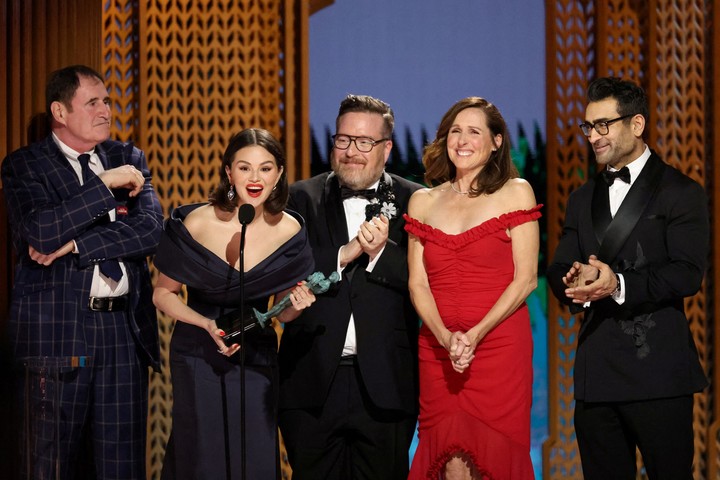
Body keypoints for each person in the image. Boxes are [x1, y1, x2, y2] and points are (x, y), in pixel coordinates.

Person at [1, 64, 163, 478]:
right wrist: (104, 184)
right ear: (60, 111)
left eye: (107, 100)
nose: (106, 110)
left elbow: (150, 231)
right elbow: (40, 230)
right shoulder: (25, 165)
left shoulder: (129, 157)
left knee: (120, 467)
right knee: (48, 466)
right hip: (58, 334)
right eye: (93, 102)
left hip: (123, 334)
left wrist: (76, 244)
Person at [547, 77, 709, 480]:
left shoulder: (681, 191)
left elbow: (687, 273)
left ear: (637, 124)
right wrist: (573, 278)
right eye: (588, 126)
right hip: (596, 374)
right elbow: (557, 266)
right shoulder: (581, 198)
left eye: (605, 124)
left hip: (659, 373)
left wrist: (617, 285)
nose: (594, 136)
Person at [152, 128, 316, 479]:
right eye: (244, 168)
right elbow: (161, 294)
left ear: (280, 173)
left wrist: (298, 305)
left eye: (266, 168)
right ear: (229, 172)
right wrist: (205, 324)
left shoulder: (289, 230)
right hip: (198, 350)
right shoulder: (198, 222)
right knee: (201, 457)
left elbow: (283, 311)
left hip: (255, 355)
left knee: (253, 457)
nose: (255, 178)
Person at [278, 94, 422, 479]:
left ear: (386, 148)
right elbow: (285, 270)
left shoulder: (416, 201)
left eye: (364, 142)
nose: (351, 152)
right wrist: (346, 252)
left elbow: (426, 281)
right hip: (310, 382)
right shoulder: (298, 198)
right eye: (343, 140)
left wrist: (379, 254)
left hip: (386, 385)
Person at [404, 97, 540, 479]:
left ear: (496, 141)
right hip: (438, 348)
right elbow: (418, 284)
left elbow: (526, 278)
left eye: (474, 131)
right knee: (448, 464)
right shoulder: (423, 201)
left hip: (499, 346)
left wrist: (474, 335)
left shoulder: (516, 192)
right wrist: (447, 339)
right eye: (455, 131)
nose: (462, 140)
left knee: (493, 458)